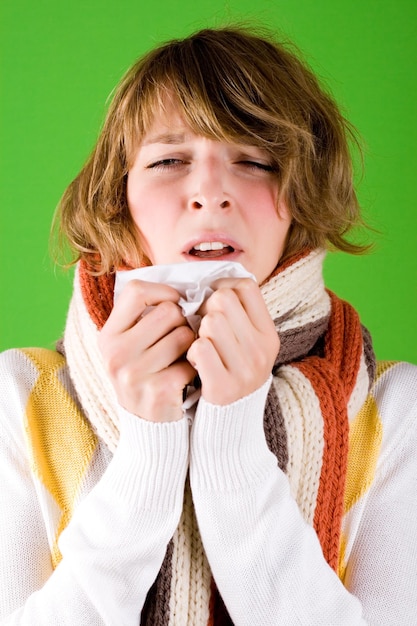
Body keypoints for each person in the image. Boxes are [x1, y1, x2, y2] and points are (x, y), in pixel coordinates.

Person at [0, 26, 416, 626]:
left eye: (254, 161)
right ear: (120, 198)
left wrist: (233, 444)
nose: (210, 192)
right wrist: (149, 451)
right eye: (169, 160)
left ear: (300, 199)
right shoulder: (20, 400)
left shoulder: (394, 413)